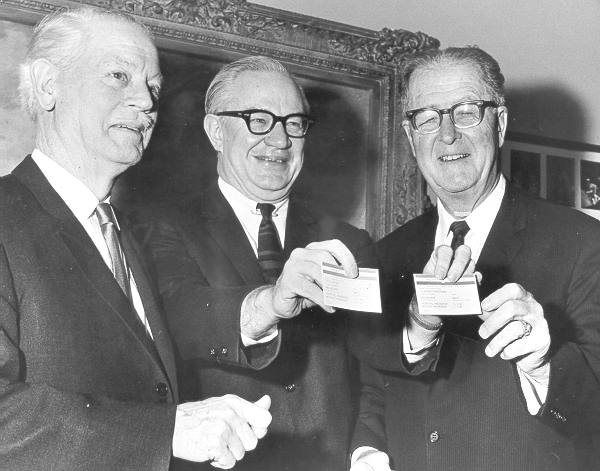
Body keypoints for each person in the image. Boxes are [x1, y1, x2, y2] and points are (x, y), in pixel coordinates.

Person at [0, 7, 272, 470]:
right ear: (48, 85)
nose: (145, 102)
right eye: (118, 75)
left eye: (153, 87)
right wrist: (167, 432)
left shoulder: (125, 236)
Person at [349, 46, 600, 471]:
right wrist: (367, 453)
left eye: (465, 111)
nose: (447, 134)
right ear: (411, 138)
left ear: (499, 124)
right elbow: (375, 387)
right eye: (428, 117)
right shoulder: (387, 253)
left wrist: (543, 362)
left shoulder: (581, 242)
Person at [136, 55, 376, 471]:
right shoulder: (162, 228)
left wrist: (368, 452)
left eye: (294, 123)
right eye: (258, 119)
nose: (280, 141)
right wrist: (270, 303)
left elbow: (373, 373)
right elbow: (178, 317)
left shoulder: (348, 241)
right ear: (215, 131)